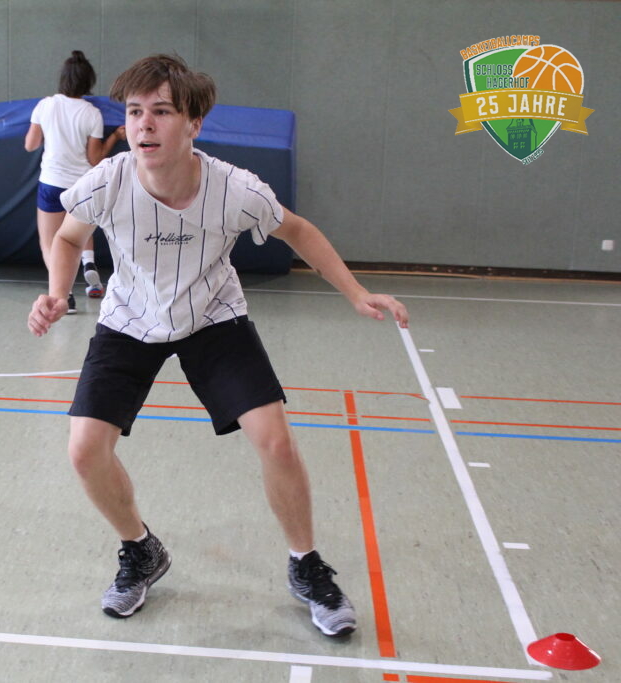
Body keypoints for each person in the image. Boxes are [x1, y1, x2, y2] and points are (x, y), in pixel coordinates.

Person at [27, 54, 409, 637]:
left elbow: (298, 230)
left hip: (212, 316)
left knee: (275, 441)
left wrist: (356, 293)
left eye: (161, 111)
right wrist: (57, 292)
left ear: (193, 124)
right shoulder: (108, 180)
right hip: (130, 318)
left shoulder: (234, 188)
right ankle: (141, 550)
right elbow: (68, 237)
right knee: (84, 451)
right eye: (134, 112)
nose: (144, 124)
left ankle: (306, 565)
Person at [24, 50, 125, 314]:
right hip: (81, 184)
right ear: (88, 83)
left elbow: (30, 144)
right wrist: (115, 137)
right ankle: (89, 263)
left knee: (51, 243)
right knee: (78, 233)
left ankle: (64, 295)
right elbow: (95, 159)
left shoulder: (45, 106)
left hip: (51, 182)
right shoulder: (92, 114)